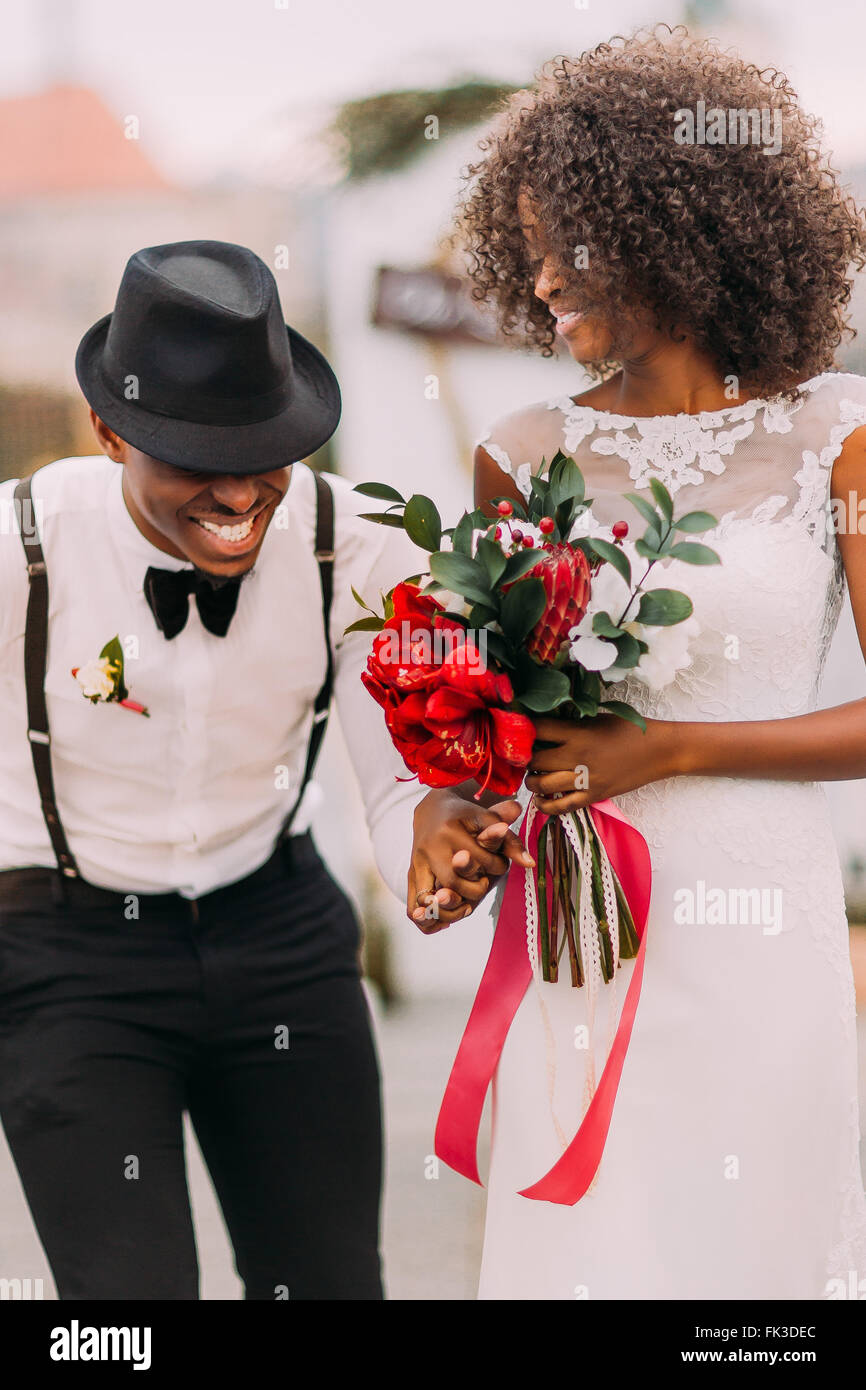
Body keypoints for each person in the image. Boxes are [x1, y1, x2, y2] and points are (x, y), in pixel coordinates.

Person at [407, 26, 866, 1298]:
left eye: (572, 240)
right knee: (593, 1253)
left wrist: (669, 747)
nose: (542, 275)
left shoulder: (839, 433)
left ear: (683, 226)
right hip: (580, 927)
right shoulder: (518, 446)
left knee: (752, 1262)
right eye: (528, 243)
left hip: (756, 914)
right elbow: (490, 710)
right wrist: (452, 810)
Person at [0, 238, 429, 1300]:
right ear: (108, 431)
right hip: (67, 959)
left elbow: (401, 774)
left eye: (265, 447)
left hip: (278, 931)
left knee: (326, 1287)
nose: (241, 489)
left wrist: (433, 851)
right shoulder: (19, 550)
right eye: (197, 453)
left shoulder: (357, 544)